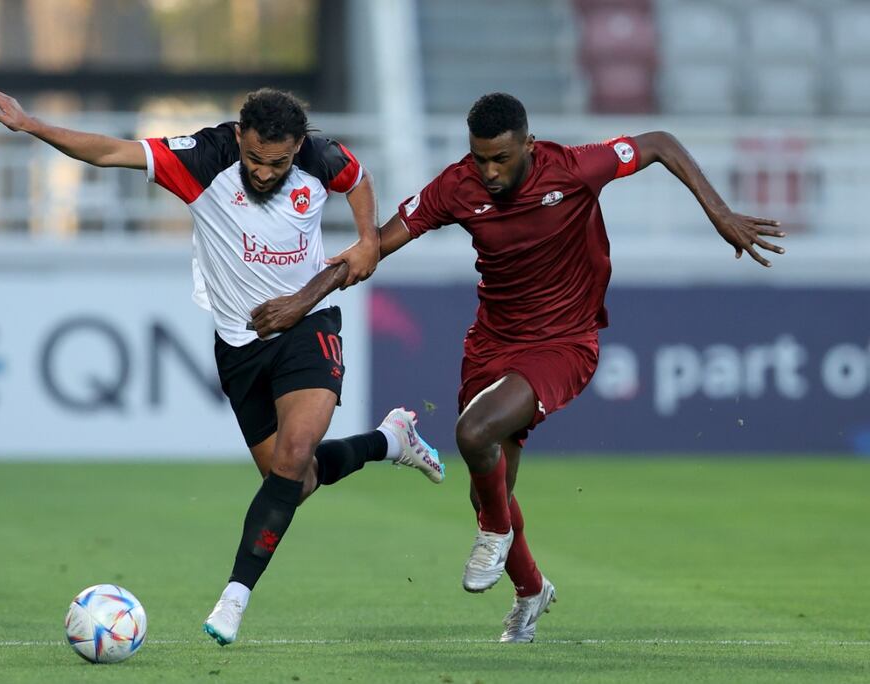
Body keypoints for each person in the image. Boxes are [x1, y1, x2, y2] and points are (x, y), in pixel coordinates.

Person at [251, 92, 786, 643]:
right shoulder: (456, 186)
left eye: (501, 159)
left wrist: (719, 214)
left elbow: (659, 144)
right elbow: (373, 248)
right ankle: (531, 590)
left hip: (564, 343)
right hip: (491, 345)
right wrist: (302, 299)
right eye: (480, 158)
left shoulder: (575, 169)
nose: (489, 171)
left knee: (473, 434)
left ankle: (493, 534)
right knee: (489, 483)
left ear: (528, 146)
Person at [0, 85, 445, 645]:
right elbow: (109, 151)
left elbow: (358, 178)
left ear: (297, 147)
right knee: (293, 483)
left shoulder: (320, 157)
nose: (266, 172)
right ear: (239, 136)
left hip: (309, 328)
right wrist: (34, 126)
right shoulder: (202, 158)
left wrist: (368, 238)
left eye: (278, 162)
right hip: (240, 346)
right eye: (254, 158)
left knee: (294, 457)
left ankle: (234, 597)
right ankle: (389, 441)